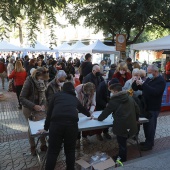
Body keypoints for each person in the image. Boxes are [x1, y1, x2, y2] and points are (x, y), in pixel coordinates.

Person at [38, 82, 91, 170]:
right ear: (72, 90)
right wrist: (89, 115)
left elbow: (49, 113)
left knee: (53, 152)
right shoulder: (74, 98)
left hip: (56, 125)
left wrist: (45, 128)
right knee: (70, 151)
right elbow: (82, 109)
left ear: (63, 89)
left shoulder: (56, 96)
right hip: (71, 125)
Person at [94, 83, 140, 162]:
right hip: (131, 125)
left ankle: (122, 158)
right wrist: (136, 119)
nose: (110, 93)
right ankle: (121, 155)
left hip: (121, 126)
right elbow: (137, 109)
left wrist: (99, 119)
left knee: (122, 144)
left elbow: (106, 112)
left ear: (115, 91)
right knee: (124, 142)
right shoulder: (129, 97)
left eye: (111, 91)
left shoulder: (114, 100)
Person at [134, 65, 166, 151]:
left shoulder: (161, 81)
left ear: (155, 72)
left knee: (151, 127)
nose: (148, 74)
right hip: (146, 106)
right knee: (146, 125)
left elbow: (155, 92)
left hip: (153, 107)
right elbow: (143, 87)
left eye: (150, 72)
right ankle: (147, 141)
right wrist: (137, 83)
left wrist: (143, 84)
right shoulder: (149, 78)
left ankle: (149, 144)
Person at [20, 67, 49, 155]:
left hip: (39, 108)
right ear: (37, 75)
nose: (43, 80)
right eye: (41, 78)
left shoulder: (43, 81)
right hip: (28, 109)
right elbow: (21, 98)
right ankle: (32, 146)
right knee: (31, 128)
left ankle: (43, 144)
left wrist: (44, 104)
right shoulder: (29, 81)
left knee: (41, 125)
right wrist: (33, 106)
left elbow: (44, 95)